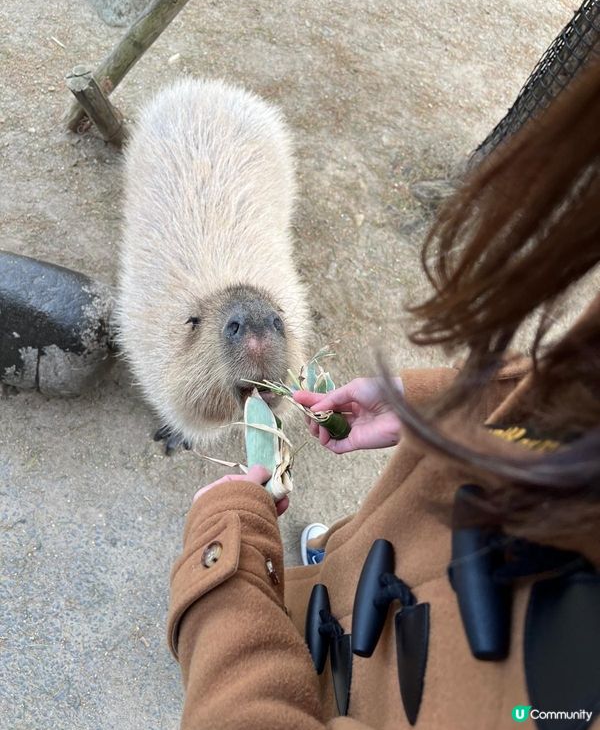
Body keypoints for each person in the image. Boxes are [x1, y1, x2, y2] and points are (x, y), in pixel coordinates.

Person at [167, 60, 600, 729]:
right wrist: (431, 404)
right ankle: (334, 560)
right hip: (416, 551)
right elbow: (574, 393)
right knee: (361, 549)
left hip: (373, 686)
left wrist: (222, 556)